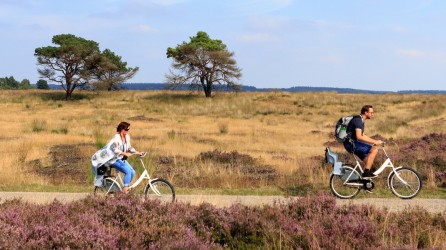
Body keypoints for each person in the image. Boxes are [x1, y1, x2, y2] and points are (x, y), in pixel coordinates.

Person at [91, 121, 143, 193]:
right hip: (113, 160)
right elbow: (114, 149)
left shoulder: (127, 137)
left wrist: (138, 152)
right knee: (127, 171)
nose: (128, 131)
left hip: (120, 159)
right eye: (127, 129)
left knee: (132, 172)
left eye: (128, 129)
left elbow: (129, 148)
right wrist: (124, 153)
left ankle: (125, 187)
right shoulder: (116, 138)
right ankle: (125, 189)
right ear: (122, 130)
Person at [343, 105, 383, 178]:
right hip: (351, 144)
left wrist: (374, 141)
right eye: (371, 112)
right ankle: (366, 174)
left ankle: (364, 182)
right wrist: (374, 141)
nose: (372, 114)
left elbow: (363, 135)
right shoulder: (358, 121)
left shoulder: (360, 120)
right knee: (374, 150)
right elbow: (359, 136)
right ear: (366, 113)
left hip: (352, 143)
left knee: (368, 162)